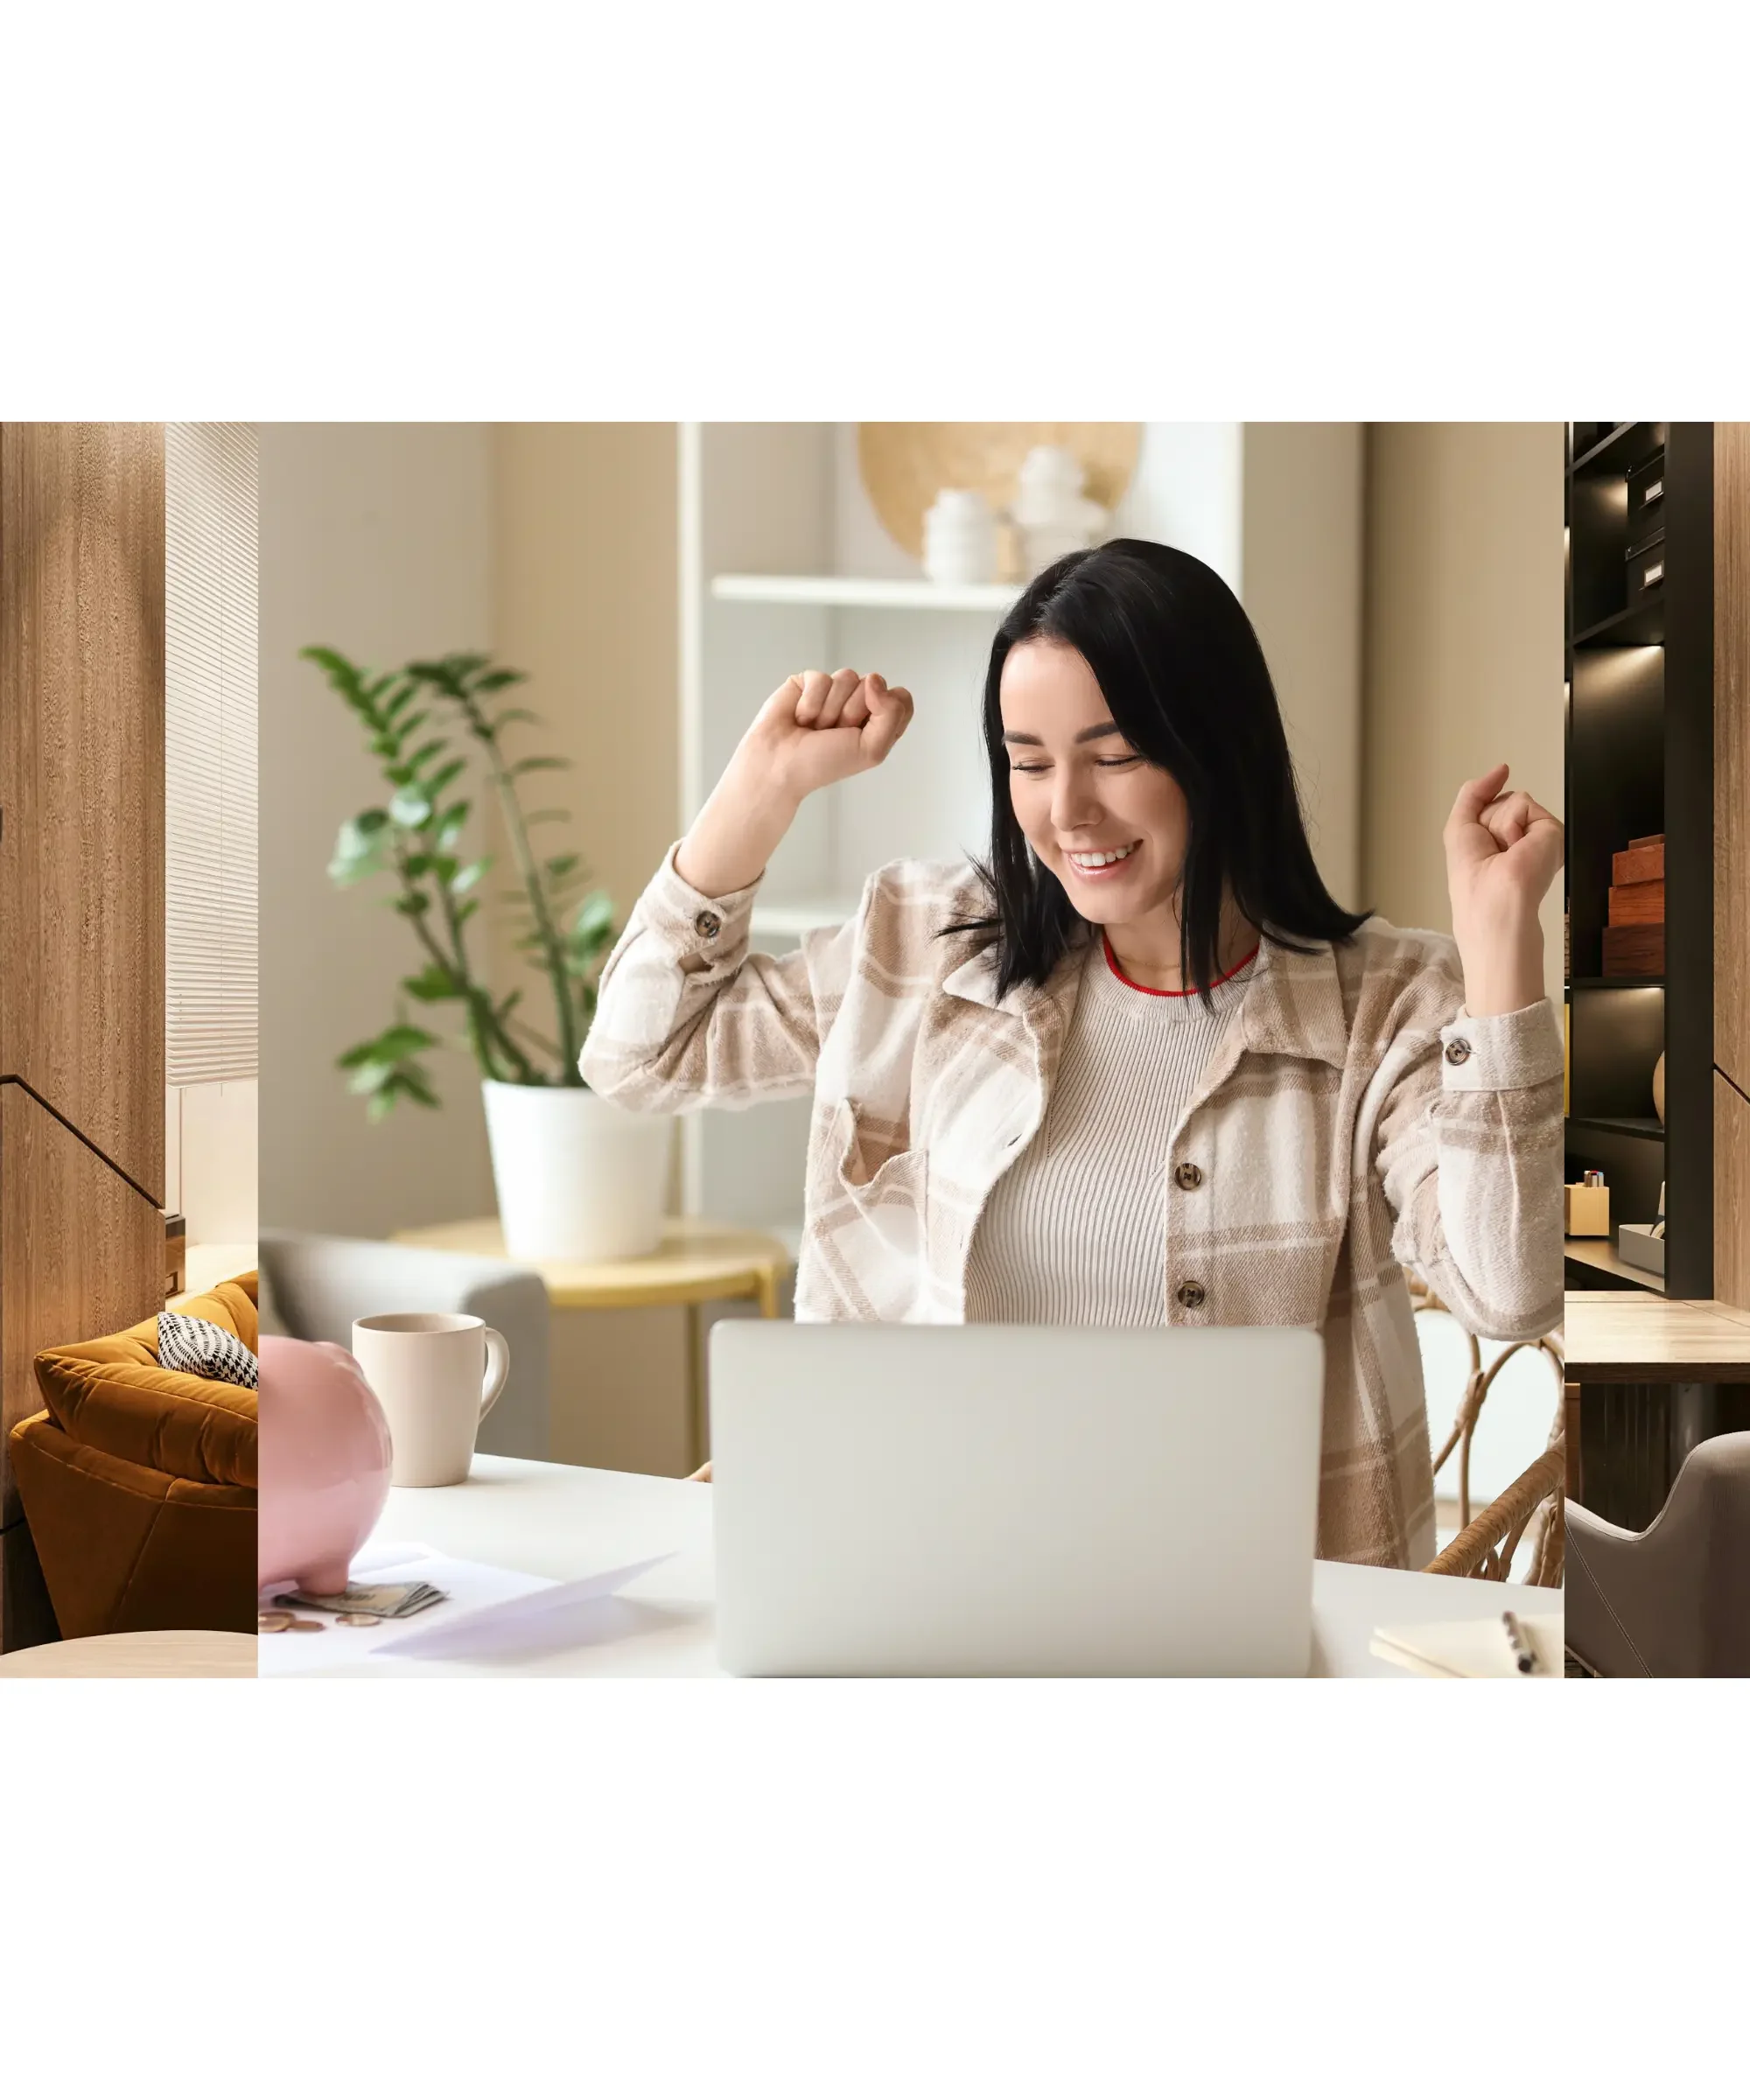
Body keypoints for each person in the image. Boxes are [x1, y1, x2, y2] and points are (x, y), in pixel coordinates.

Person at [579, 540, 1564, 1568]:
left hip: (1237, 1611)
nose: (1066, 812)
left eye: (1115, 754)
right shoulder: (921, 944)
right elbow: (640, 1055)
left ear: (1213, 747)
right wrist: (760, 789)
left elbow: (1508, 1289)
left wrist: (1500, 948)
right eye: (1030, 761)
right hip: (915, 1573)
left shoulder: (1382, 1007)